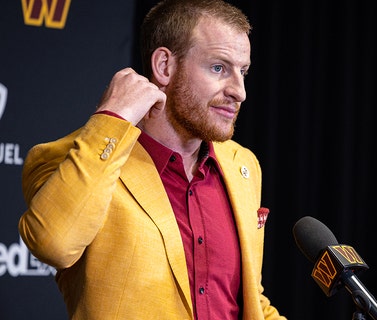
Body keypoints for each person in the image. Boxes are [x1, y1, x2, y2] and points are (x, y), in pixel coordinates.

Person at [18, 0, 286, 319]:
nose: (239, 91)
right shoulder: (72, 158)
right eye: (219, 68)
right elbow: (53, 245)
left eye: (242, 72)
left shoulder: (243, 165)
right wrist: (111, 119)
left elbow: (250, 299)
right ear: (164, 67)